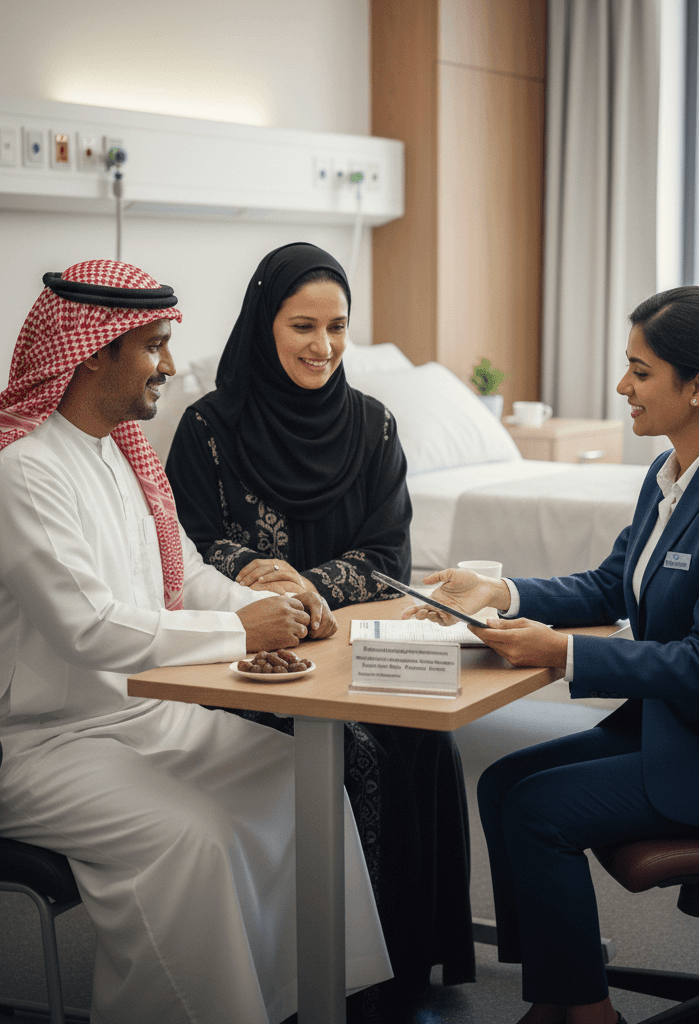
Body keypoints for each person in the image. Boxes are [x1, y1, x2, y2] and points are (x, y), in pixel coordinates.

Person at [0, 260, 392, 1024]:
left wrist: (275, 605)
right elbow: (88, 627)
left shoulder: (118, 454)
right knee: (195, 836)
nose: (171, 366)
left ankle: (306, 1002)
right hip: (19, 746)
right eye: (153, 346)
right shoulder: (23, 472)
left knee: (297, 779)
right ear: (93, 352)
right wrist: (239, 628)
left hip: (131, 715)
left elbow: (184, 581)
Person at [403, 286, 699, 1024]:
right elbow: (610, 584)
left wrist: (564, 655)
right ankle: (558, 996)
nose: (622, 387)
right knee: (502, 782)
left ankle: (586, 1010)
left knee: (537, 809)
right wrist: (498, 590)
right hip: (684, 730)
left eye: (640, 371)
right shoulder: (671, 474)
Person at [165, 242, 476, 1010]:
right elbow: (181, 545)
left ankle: (409, 963)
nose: (324, 346)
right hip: (239, 659)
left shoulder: (373, 427)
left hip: (348, 645)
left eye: (338, 327)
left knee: (425, 737)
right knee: (355, 750)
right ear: (263, 324)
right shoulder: (206, 428)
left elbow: (387, 553)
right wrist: (251, 572)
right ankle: (339, 976)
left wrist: (307, 588)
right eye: (303, 325)